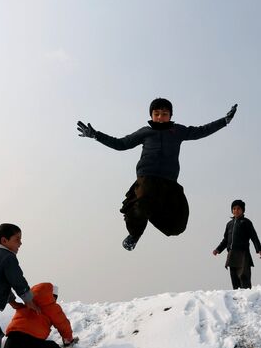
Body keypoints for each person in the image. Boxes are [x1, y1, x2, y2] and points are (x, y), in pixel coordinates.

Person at [77, 98, 238, 251]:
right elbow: (121, 144)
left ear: (170, 116)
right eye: (157, 114)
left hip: (169, 181)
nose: (160, 118)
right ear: (151, 115)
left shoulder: (178, 131)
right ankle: (135, 234)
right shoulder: (145, 132)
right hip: (147, 177)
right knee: (142, 201)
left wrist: (224, 121)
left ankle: (151, 212)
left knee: (178, 225)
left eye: (164, 114)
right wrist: (96, 135)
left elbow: (202, 130)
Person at [2, 282, 77, 348]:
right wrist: (68, 340)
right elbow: (63, 325)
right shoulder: (52, 307)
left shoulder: (26, 304)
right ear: (52, 296)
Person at [213, 199, 261, 289]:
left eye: (238, 208)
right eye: (234, 209)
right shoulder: (229, 224)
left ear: (242, 210)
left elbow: (254, 237)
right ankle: (236, 298)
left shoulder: (246, 222)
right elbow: (225, 240)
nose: (236, 210)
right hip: (231, 254)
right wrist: (218, 249)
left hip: (243, 254)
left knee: (244, 276)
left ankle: (246, 296)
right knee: (234, 278)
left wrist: (259, 249)